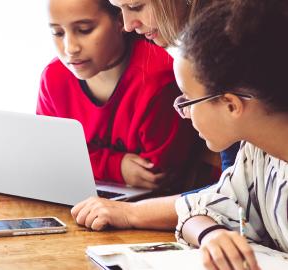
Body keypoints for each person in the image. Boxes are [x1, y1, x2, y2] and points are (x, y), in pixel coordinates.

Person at [71, 0, 237, 231]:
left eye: (136, 6)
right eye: (120, 9)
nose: (128, 25)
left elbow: (231, 195)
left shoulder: (233, 44)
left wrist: (132, 213)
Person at [173, 0, 288, 269]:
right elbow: (196, 210)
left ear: (231, 104)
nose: (185, 113)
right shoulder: (259, 154)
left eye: (188, 101)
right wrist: (212, 235)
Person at [37, 0, 196, 190]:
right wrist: (115, 166)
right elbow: (48, 156)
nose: (70, 48)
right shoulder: (53, 77)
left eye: (85, 29)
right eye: (58, 33)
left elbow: (156, 174)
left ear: (119, 20)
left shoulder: (157, 78)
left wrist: (80, 161)